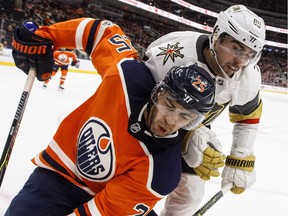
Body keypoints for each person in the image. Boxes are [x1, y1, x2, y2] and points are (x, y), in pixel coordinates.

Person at [7, 18, 216, 215]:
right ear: (157, 93)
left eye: (185, 116)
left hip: (110, 201)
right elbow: (102, 32)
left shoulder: (161, 173)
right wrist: (48, 35)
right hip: (58, 178)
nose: (171, 121)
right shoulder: (127, 76)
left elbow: (101, 211)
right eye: (169, 106)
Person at [143, 5, 266, 215]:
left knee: (190, 194)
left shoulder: (248, 76)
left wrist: (240, 154)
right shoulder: (176, 52)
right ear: (216, 36)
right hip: (152, 122)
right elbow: (136, 92)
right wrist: (185, 136)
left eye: (248, 54)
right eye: (235, 48)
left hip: (197, 125)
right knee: (141, 181)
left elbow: (247, 117)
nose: (240, 61)